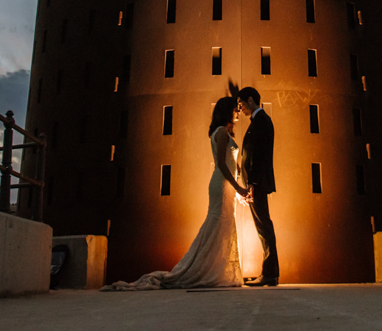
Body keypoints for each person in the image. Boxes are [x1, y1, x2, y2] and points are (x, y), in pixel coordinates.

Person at [102, 96, 251, 290]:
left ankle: (216, 270)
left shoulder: (224, 132)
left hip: (226, 186)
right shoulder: (221, 132)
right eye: (235, 108)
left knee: (220, 226)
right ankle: (204, 270)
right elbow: (222, 165)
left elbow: (232, 166)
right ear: (226, 111)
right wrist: (238, 187)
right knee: (217, 225)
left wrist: (238, 191)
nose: (238, 111)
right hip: (222, 185)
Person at [237, 87, 279, 286]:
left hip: (258, 182)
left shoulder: (261, 121)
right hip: (257, 181)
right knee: (262, 226)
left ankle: (270, 273)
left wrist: (252, 182)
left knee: (263, 226)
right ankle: (269, 273)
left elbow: (258, 155)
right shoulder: (260, 121)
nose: (240, 109)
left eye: (242, 104)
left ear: (251, 100)